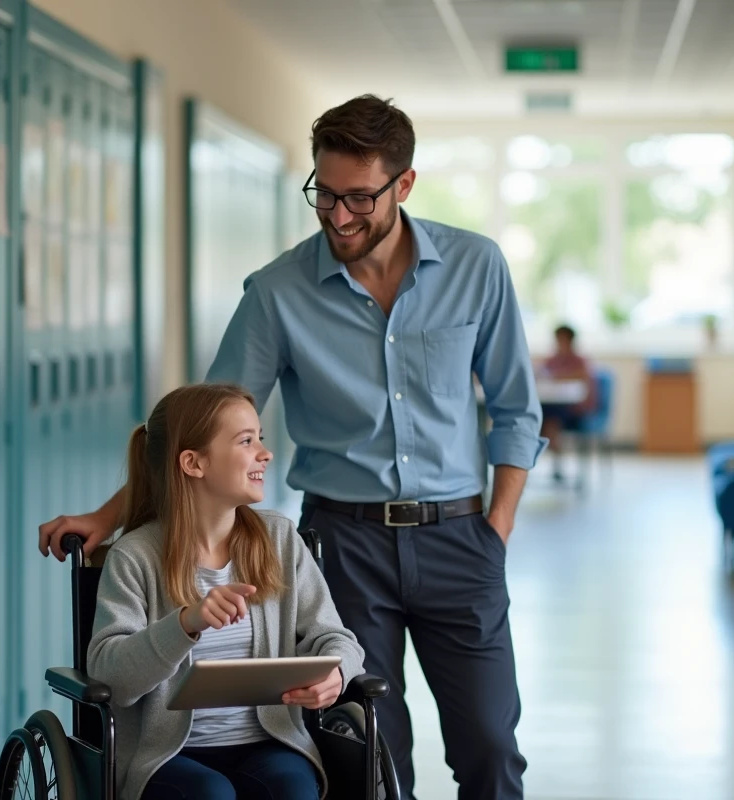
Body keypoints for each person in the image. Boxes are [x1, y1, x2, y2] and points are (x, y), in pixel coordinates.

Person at [40, 94, 545, 800]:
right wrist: (110, 515)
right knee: (372, 751)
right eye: (324, 194)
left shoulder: (476, 266)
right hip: (344, 542)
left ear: (404, 185)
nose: (338, 216)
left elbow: (518, 410)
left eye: (359, 198)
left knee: (490, 746)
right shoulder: (279, 291)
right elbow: (200, 431)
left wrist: (498, 528)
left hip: (461, 535)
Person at [86, 382, 366, 800]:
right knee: (210, 794)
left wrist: (337, 672)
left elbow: (337, 637)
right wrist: (184, 624)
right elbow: (111, 676)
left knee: (290, 787)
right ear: (193, 463)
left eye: (261, 439)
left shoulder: (280, 539)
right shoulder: (135, 557)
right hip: (170, 755)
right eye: (246, 441)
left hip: (271, 742)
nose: (265, 453)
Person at [537, 324, 596, 463]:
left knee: (552, 415)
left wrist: (558, 376)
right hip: (553, 405)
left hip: (575, 409)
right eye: (558, 339)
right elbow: (542, 374)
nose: (559, 343)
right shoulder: (552, 360)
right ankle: (552, 448)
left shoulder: (580, 362)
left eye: (563, 339)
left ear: (571, 341)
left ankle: (555, 449)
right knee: (540, 411)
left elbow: (582, 378)